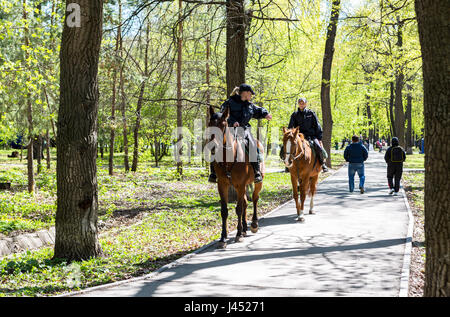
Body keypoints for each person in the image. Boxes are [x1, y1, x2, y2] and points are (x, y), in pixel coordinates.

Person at [208, 83, 272, 184]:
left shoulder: (250, 105)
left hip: (244, 130)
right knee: (216, 144)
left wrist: (266, 114)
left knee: (252, 143)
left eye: (251, 95)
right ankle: (213, 173)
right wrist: (232, 121)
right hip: (230, 129)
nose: (250, 97)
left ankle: (256, 172)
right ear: (243, 93)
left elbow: (259, 110)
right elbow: (222, 115)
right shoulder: (229, 102)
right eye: (249, 94)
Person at [287, 97, 329, 172]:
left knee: (318, 147)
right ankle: (287, 164)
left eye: (303, 103)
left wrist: (319, 138)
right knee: (287, 146)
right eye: (300, 103)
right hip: (298, 136)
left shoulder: (311, 113)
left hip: (311, 136)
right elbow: (290, 127)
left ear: (306, 104)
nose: (301, 104)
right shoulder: (294, 115)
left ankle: (322, 163)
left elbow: (317, 125)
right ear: (298, 104)